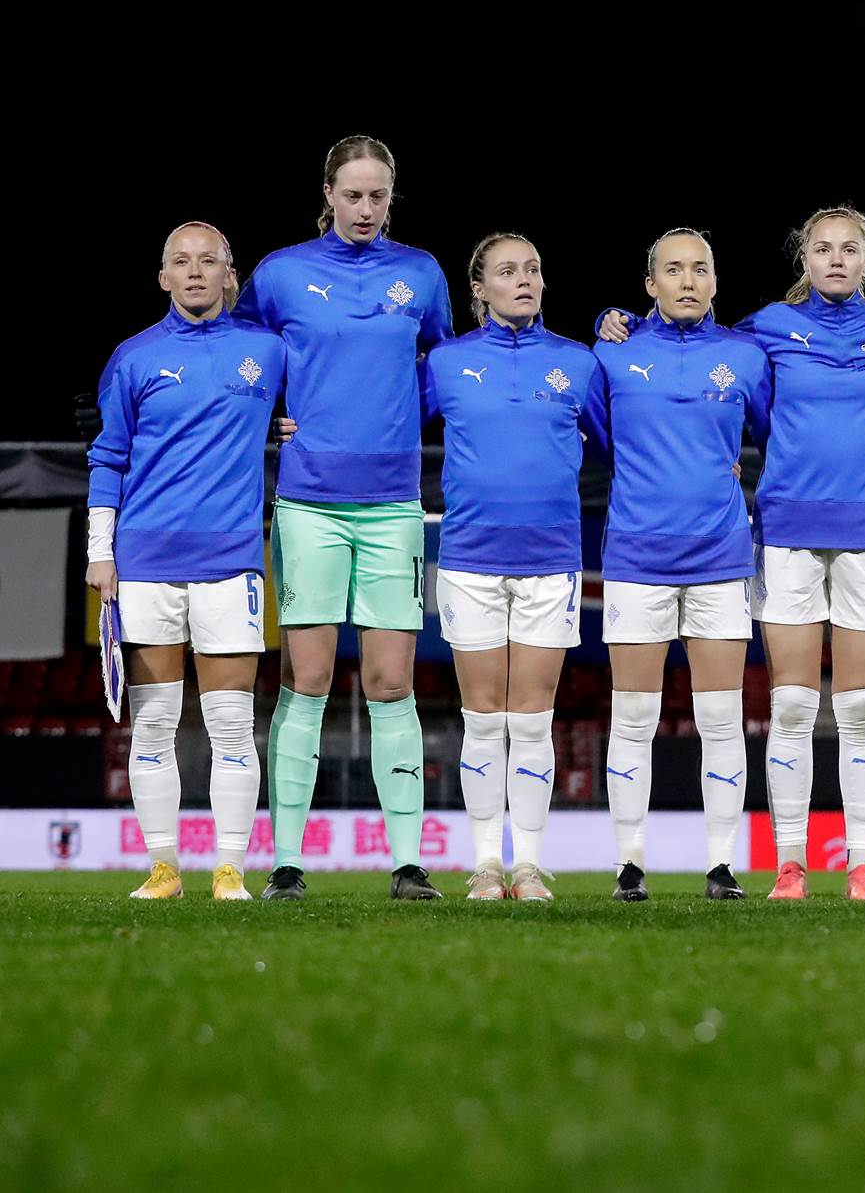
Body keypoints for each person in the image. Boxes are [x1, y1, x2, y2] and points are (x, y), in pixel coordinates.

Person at [600, 208, 865, 899]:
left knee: (861, 710)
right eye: (822, 248)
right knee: (793, 708)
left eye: (849, 249)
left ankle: (863, 863)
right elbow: (746, 417)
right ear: (803, 260)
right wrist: (615, 318)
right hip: (784, 532)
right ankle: (790, 863)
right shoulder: (762, 333)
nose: (835, 259)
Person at [235, 135, 455, 901]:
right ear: (328, 193)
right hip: (308, 504)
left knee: (392, 681)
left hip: (394, 505)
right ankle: (286, 865)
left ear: (392, 198)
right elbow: (240, 358)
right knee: (310, 678)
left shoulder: (420, 273)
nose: (366, 209)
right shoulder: (280, 273)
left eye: (378, 196)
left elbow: (445, 367)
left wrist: (397, 417)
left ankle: (408, 865)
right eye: (353, 195)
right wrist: (265, 418)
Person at [87, 222, 287, 900]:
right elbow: (108, 457)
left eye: (208, 260)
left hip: (232, 561)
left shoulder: (268, 350)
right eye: (181, 261)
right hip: (144, 562)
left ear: (230, 275)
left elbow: (318, 402)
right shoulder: (134, 356)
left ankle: (229, 870)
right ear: (163, 277)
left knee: (231, 724)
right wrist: (100, 553)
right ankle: (164, 869)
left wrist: (292, 425)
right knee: (153, 723)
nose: (195, 271)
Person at [422, 234, 608, 901]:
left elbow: (620, 443)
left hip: (550, 561)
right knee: (482, 719)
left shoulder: (578, 363)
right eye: (507, 271)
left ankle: (526, 865)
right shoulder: (445, 363)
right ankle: (484, 865)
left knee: (531, 720)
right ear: (479, 289)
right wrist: (308, 430)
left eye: (533, 268)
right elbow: (388, 424)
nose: (524, 279)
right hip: (469, 559)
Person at [593, 230, 770, 901]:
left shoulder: (745, 357)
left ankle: (720, 866)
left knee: (721, 719)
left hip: (721, 556)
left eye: (700, 269)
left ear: (716, 282)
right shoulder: (612, 354)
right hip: (637, 556)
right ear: (651, 285)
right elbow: (599, 437)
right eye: (673, 269)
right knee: (634, 718)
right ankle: (629, 865)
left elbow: (775, 438)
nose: (688, 280)